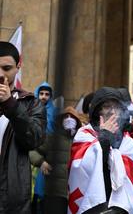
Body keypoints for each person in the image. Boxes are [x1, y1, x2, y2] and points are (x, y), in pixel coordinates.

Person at [68, 87, 133, 214]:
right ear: (98, 111)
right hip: (94, 205)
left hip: (119, 207)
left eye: (116, 107)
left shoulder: (127, 140)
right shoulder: (84, 134)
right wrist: (104, 138)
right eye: (107, 107)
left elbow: (131, 174)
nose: (112, 112)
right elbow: (83, 167)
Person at [0, 41, 46, 213]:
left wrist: (10, 104)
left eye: (6, 68)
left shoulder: (30, 103)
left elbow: (34, 139)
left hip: (11, 194)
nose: (0, 74)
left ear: (18, 66)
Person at [29, 106, 84, 214]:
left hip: (75, 193)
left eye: (72, 117)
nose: (69, 119)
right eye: (66, 117)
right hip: (54, 193)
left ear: (77, 122)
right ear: (60, 121)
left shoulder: (81, 140)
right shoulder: (52, 139)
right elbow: (32, 151)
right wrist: (41, 162)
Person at [31, 81, 57, 213]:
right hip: (33, 153)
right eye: (41, 93)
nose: (43, 96)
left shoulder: (55, 111)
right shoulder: (31, 109)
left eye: (47, 94)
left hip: (50, 155)